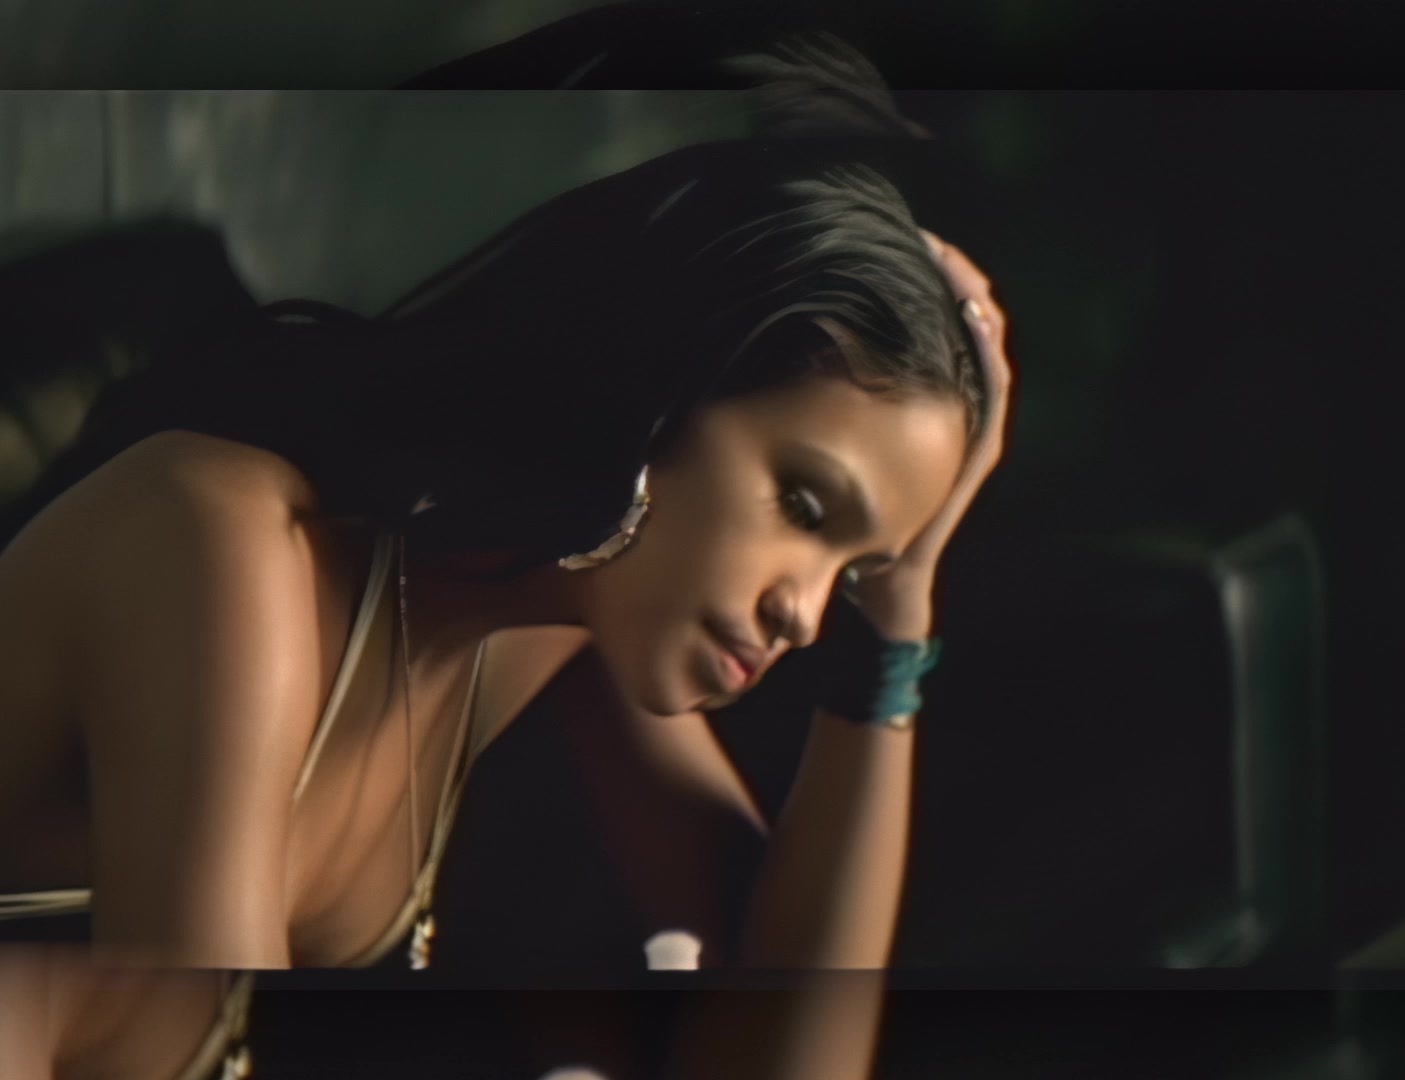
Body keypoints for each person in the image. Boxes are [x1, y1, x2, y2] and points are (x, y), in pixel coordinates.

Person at [0, 28, 1013, 1079]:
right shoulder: (227, 549)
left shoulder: (552, 627)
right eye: (803, 504)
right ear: (662, 386)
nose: (804, 613)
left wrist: (895, 628)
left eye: (852, 571)